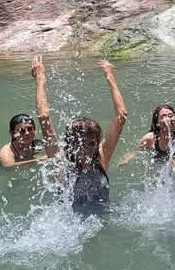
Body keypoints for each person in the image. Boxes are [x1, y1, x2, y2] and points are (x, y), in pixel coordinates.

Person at [44, 59, 127, 210]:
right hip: (69, 222)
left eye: (91, 143)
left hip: (102, 218)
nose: (87, 149)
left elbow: (121, 116)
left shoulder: (101, 157)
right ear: (72, 143)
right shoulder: (61, 163)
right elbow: (44, 118)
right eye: (80, 143)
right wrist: (40, 80)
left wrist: (109, 75)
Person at [0, 55, 56, 166]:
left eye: (30, 129)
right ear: (12, 133)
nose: (27, 133)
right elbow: (9, 166)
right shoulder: (6, 152)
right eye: (21, 130)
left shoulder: (37, 145)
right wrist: (42, 159)